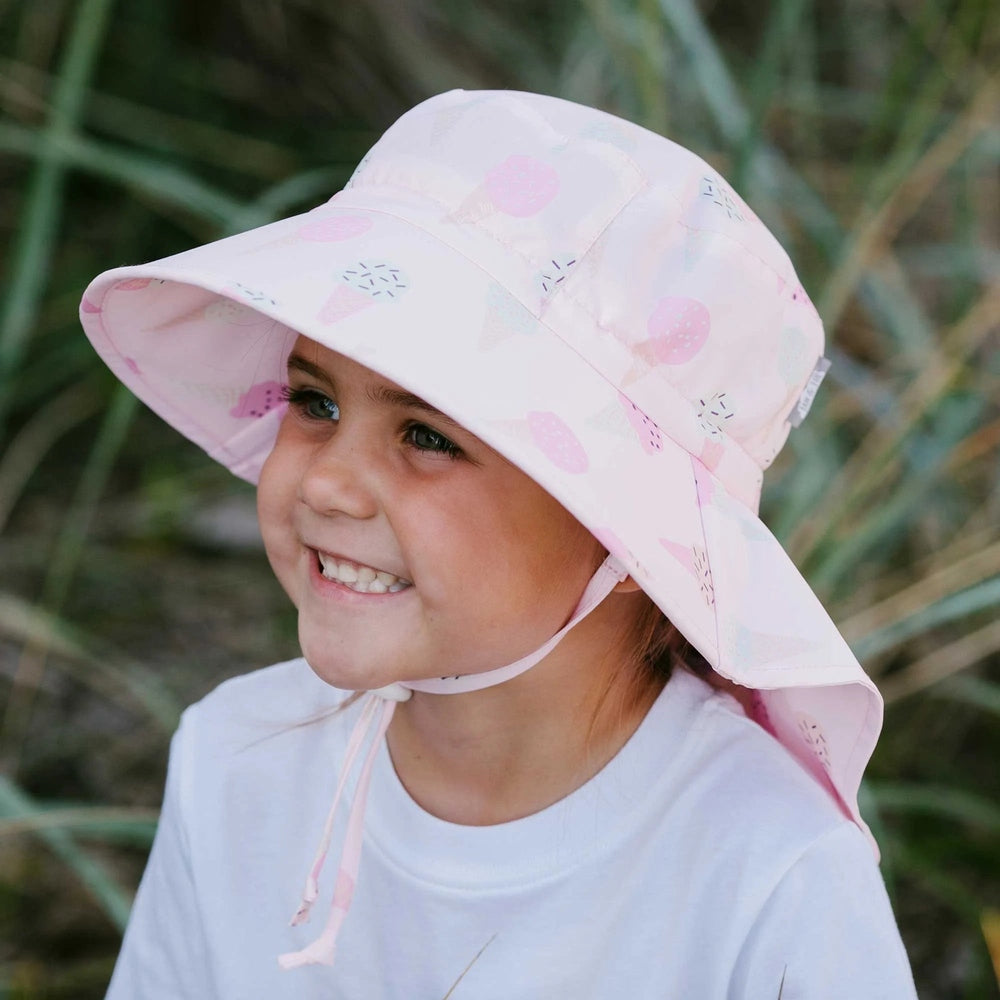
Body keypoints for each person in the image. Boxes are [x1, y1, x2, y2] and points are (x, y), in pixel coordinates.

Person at [80, 89, 917, 998]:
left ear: (630, 537)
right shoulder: (236, 762)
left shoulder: (770, 876)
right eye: (315, 403)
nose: (324, 482)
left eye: (429, 437)